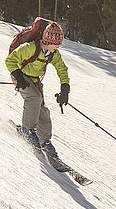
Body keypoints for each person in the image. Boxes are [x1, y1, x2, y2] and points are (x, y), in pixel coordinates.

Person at [5, 21, 70, 157]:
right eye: (56, 44)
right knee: (34, 98)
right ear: (47, 41)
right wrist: (18, 76)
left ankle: (45, 140)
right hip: (20, 75)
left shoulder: (53, 53)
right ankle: (27, 130)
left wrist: (65, 88)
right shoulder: (30, 48)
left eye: (59, 45)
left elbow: (62, 69)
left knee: (43, 111)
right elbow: (10, 60)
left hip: (34, 80)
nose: (57, 47)